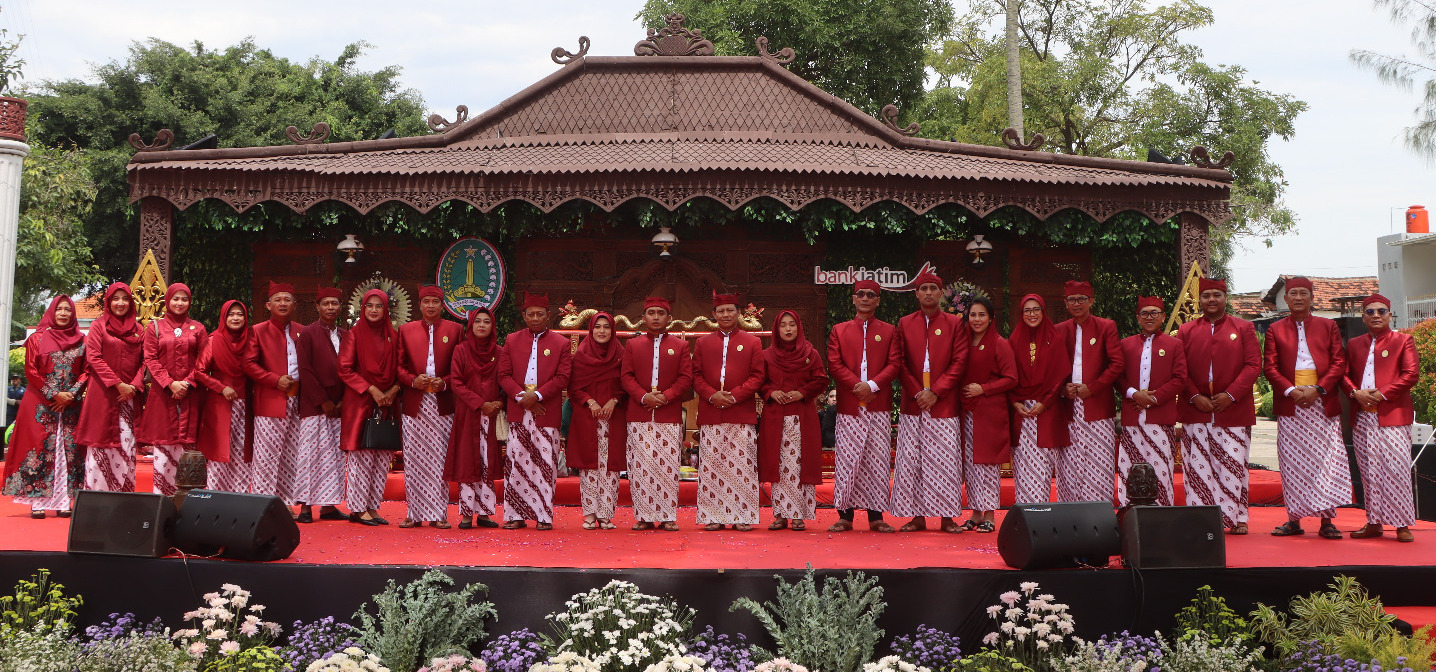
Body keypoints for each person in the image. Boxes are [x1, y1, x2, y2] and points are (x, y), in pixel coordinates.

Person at [1263, 276, 1351, 539]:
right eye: (1293, 293)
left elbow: (1339, 362)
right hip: (1291, 402)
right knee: (1292, 462)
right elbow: (1270, 367)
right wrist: (1291, 391)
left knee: (1327, 462)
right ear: (1286, 299)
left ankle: (1327, 521)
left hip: (1322, 401)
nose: (1298, 297)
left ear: (1312, 298)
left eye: (1304, 293)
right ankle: (1294, 519)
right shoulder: (1275, 329)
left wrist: (1318, 389)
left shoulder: (1328, 326)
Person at [1177, 277, 1261, 534]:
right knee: (1196, 466)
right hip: (1196, 409)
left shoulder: (1244, 327)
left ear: (1226, 298)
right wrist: (1194, 396)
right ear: (1199, 300)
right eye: (1206, 296)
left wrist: (1231, 395)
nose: (1211, 299)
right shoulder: (1186, 330)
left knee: (1233, 464)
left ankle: (1237, 516)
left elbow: (1253, 365)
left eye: (1217, 295)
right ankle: (1199, 517)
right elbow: (1180, 369)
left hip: (1233, 409)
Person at [892, 272, 968, 533]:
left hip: (943, 403)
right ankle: (917, 517)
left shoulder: (954, 323)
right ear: (916, 293)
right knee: (912, 460)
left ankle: (947, 517)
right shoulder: (905, 323)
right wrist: (917, 392)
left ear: (940, 293)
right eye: (923, 288)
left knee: (945, 460)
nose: (927, 293)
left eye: (932, 289)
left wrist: (936, 391)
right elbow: (899, 362)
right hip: (914, 403)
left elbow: (959, 361)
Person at [1343, 293, 1420, 542]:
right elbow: (1343, 374)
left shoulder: (1403, 341)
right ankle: (1373, 523)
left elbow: (1411, 374)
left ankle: (1402, 525)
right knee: (1368, 471)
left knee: (1396, 469)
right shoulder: (1354, 344)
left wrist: (1380, 394)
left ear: (1390, 315)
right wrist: (1355, 393)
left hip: (1392, 415)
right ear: (1363, 317)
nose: (1376, 315)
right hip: (1362, 415)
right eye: (1370, 312)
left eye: (1381, 311)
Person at [825, 280, 900, 533]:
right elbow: (834, 364)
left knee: (877, 460)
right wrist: (857, 385)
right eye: (861, 294)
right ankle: (844, 516)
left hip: (878, 405)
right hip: (849, 405)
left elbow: (895, 364)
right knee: (847, 460)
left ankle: (876, 516)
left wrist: (873, 386)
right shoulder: (839, 330)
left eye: (871, 295)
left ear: (878, 300)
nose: (865, 298)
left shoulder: (889, 330)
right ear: (854, 299)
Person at [2, 296, 86, 517]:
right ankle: (37, 500)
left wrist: (71, 394)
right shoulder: (37, 339)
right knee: (39, 448)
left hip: (71, 405)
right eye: (59, 309)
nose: (63, 313)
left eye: (68, 310)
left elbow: (87, 370)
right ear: (51, 312)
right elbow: (31, 370)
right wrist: (54, 394)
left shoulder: (82, 341)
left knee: (68, 450)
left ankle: (63, 501)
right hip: (40, 403)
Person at [497, 291, 573, 530]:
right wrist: (523, 398)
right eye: (531, 314)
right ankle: (515, 515)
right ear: (524, 316)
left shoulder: (561, 343)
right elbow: (503, 375)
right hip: (519, 409)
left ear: (548, 315)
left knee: (545, 464)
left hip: (546, 410)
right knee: (516, 462)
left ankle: (543, 515)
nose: (535, 318)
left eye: (540, 314)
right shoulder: (512, 340)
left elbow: (563, 377)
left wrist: (537, 396)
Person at [692, 291, 766, 532]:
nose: (725, 314)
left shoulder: (753, 342)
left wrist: (734, 396)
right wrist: (711, 395)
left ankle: (742, 515)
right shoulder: (702, 343)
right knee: (712, 466)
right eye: (721, 311)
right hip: (711, 410)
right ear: (713, 314)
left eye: (730, 310)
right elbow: (696, 375)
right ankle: (713, 515)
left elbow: (758, 376)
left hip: (740, 411)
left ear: (738, 313)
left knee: (742, 465)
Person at [620, 296, 694, 531]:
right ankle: (643, 516)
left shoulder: (680, 346)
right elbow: (626, 377)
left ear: (669, 318)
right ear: (643, 318)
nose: (655, 317)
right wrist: (644, 396)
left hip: (668, 414)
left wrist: (666, 396)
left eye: (660, 313)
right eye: (651, 313)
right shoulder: (633, 345)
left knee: (667, 466)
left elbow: (685, 378)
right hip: (639, 413)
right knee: (640, 465)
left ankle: (667, 515)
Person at [397, 285, 464, 529]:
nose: (431, 306)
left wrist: (445, 383)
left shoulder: (455, 330)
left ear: (442, 305)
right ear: (419, 305)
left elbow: (461, 367)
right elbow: (398, 366)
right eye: (426, 301)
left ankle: (438, 513)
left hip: (442, 403)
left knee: (439, 458)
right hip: (415, 403)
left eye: (435, 302)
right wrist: (412, 380)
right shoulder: (406, 330)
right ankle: (413, 512)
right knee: (413, 458)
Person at [758, 310, 829, 531]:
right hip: (776, 417)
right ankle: (780, 514)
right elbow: (759, 382)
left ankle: (799, 515)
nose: (788, 329)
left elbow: (821, 379)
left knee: (800, 465)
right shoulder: (767, 355)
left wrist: (802, 392)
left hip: (802, 416)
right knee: (778, 465)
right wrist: (771, 392)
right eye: (783, 325)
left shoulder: (810, 354)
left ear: (799, 327)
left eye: (792, 324)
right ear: (776, 329)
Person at [1055, 280, 1123, 504]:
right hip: (1068, 407)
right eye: (1072, 300)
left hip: (1097, 406)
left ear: (1091, 301)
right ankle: (1070, 514)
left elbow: (1117, 364)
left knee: (1098, 464)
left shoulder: (1106, 327)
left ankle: (1099, 515)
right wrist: (1062, 388)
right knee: (1069, 465)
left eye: (1082, 299)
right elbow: (1051, 368)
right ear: (1066, 303)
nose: (1077, 304)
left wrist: (1092, 388)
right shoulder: (1059, 330)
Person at [1115, 297, 1188, 507]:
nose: (1149, 317)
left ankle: (1161, 512)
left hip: (1160, 417)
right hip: (1132, 417)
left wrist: (1153, 399)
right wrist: (1133, 394)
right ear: (1138, 317)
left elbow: (1180, 378)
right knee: (1130, 468)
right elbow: (1117, 376)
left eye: (1154, 313)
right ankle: (1128, 513)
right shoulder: (1125, 344)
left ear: (1163, 317)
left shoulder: (1175, 345)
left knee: (1161, 468)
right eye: (1144, 313)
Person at [338, 289, 402, 526]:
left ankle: (372, 506)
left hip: (387, 403)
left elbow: (402, 367)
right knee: (361, 456)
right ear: (363, 308)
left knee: (382, 456)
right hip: (361, 401)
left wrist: (392, 391)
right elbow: (344, 368)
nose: (374, 310)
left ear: (386, 309)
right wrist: (372, 390)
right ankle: (357, 508)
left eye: (379, 306)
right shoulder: (354, 335)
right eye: (369, 306)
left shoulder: (394, 336)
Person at [137, 283, 207, 497]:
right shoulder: (155, 328)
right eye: (175, 298)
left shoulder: (198, 328)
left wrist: (187, 383)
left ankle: (190, 499)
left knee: (189, 443)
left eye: (184, 299)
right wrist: (169, 383)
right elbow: (150, 358)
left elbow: (204, 360)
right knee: (164, 445)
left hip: (191, 394)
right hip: (162, 395)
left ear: (189, 302)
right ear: (167, 301)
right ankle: (162, 498)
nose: (179, 303)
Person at [74, 282, 144, 492]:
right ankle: (96, 497)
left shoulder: (139, 329)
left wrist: (134, 385)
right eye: (116, 299)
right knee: (100, 445)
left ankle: (122, 498)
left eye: (125, 299)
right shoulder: (98, 326)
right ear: (109, 302)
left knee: (126, 446)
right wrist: (118, 384)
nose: (120, 303)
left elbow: (145, 361)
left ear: (131, 303)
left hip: (129, 398)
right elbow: (93, 357)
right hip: (103, 396)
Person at [956, 296, 1016, 532]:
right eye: (973, 315)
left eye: (982, 315)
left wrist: (984, 388)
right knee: (971, 464)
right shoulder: (963, 342)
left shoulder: (1000, 344)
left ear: (991, 318)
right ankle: (976, 513)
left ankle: (990, 514)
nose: (977, 319)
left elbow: (1011, 378)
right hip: (968, 411)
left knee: (989, 464)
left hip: (990, 412)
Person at [445, 307, 504, 529]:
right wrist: (480, 403)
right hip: (468, 414)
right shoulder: (461, 350)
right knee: (467, 462)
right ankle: (467, 514)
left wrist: (499, 403)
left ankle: (485, 513)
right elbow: (456, 382)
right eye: (477, 321)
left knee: (487, 462)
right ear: (470, 326)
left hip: (491, 416)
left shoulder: (500, 352)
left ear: (492, 326)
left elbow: (506, 380)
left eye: (486, 322)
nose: (481, 325)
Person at [567, 312, 627, 530]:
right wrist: (590, 401)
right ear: (591, 330)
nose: (602, 331)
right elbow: (573, 387)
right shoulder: (580, 356)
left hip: (613, 417)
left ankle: (606, 515)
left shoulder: (621, 355)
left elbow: (626, 384)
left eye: (606, 327)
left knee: (610, 467)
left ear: (613, 330)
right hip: (587, 416)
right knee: (589, 467)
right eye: (598, 327)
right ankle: (590, 514)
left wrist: (614, 400)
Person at [247, 282, 306, 504]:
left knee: (293, 455)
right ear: (268, 305)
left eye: (287, 300)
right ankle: (262, 503)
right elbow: (248, 364)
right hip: (270, 401)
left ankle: (285, 503)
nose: (283, 303)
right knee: (266, 456)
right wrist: (274, 379)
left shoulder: (303, 331)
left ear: (294, 305)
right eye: (278, 300)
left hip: (298, 402)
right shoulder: (257, 331)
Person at [1008, 294, 1071, 504]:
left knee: (1042, 468)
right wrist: (1014, 402)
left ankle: (1041, 515)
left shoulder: (1055, 338)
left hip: (1047, 412)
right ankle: (1026, 516)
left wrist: (1044, 403)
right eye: (1027, 310)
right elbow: (1006, 375)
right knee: (1023, 469)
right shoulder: (1014, 340)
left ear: (1043, 312)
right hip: (1022, 413)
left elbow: (1060, 375)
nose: (1032, 314)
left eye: (1036, 309)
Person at [295, 287, 349, 523]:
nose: (330, 307)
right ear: (317, 307)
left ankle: (328, 506)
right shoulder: (308, 333)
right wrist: (323, 401)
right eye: (325, 303)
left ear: (340, 307)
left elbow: (352, 368)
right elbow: (305, 370)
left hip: (340, 405)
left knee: (334, 457)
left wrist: (343, 400)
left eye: (334, 303)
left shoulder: (346, 335)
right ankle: (305, 508)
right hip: (314, 405)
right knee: (310, 456)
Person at [194, 300, 257, 492]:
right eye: (231, 314)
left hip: (247, 404)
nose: (235, 318)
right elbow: (199, 371)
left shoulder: (252, 340)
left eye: (240, 314)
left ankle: (240, 494)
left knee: (243, 450)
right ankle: (216, 494)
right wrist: (221, 388)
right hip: (220, 403)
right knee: (220, 448)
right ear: (224, 317)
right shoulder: (214, 340)